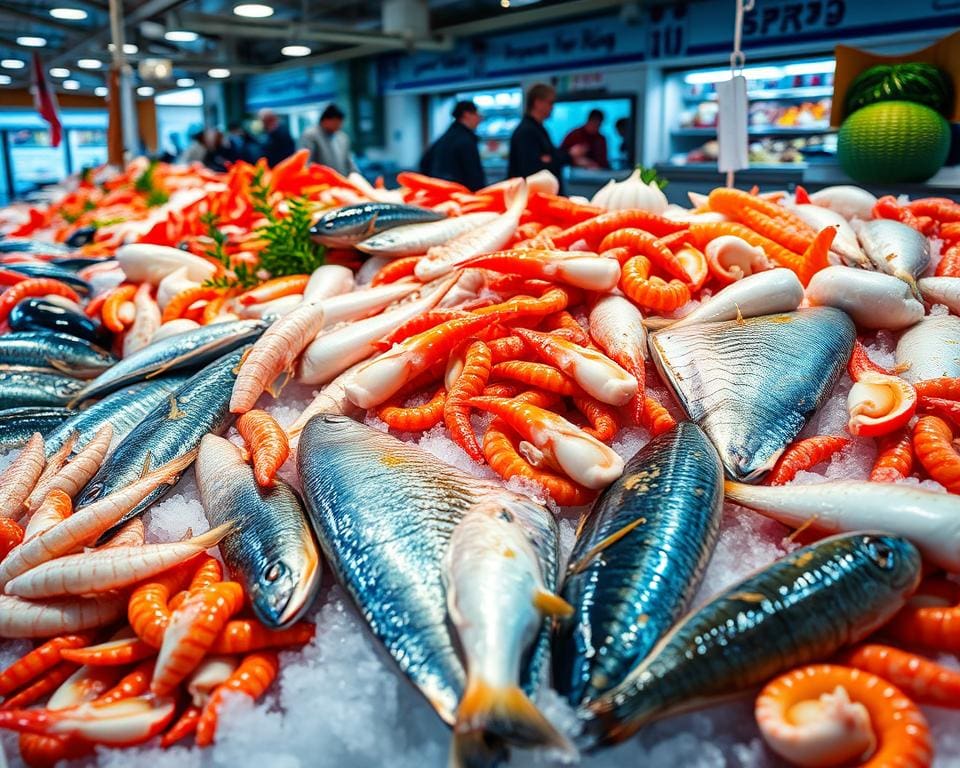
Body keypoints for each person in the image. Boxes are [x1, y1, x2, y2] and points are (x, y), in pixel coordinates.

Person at [508, 82, 585, 183]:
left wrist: (550, 158)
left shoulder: (539, 128)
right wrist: (567, 156)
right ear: (538, 103)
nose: (553, 108)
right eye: (550, 103)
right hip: (531, 195)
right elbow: (534, 169)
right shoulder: (526, 131)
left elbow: (550, 158)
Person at [420, 100, 486, 191]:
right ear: (466, 114)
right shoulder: (465, 139)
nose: (480, 119)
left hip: (440, 192)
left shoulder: (446, 136)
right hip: (460, 194)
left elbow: (424, 163)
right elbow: (474, 175)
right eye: (477, 115)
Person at [299, 104, 358, 176]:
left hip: (342, 180)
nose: (339, 126)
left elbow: (349, 162)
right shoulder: (311, 135)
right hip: (320, 183)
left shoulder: (342, 137)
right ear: (325, 120)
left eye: (340, 123)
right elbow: (305, 163)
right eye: (336, 122)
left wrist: (355, 174)